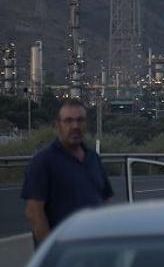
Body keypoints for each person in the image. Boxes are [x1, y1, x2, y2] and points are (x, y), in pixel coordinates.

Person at [22, 98, 113, 245]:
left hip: (94, 251)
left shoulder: (93, 158)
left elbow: (106, 200)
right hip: (65, 257)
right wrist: (54, 252)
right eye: (68, 121)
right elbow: (34, 212)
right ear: (58, 125)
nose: (75, 126)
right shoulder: (44, 161)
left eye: (80, 120)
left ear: (86, 124)